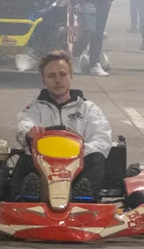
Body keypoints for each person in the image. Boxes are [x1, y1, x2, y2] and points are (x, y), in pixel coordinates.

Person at [15, 51, 124, 199]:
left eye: (62, 74)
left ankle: (84, 200)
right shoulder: (35, 108)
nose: (58, 80)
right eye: (51, 76)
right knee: (25, 159)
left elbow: (101, 139)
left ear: (71, 76)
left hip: (79, 169)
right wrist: (29, 132)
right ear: (43, 80)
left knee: (96, 158)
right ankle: (24, 201)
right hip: (43, 166)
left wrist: (74, 154)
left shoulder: (88, 108)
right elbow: (25, 123)